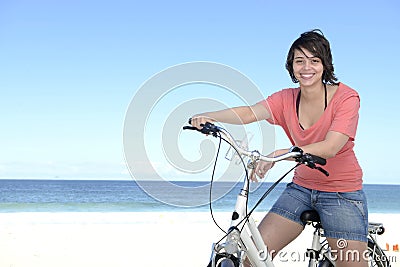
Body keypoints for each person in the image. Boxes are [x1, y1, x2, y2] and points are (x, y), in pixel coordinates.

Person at [190, 29, 368, 267]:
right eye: (299, 61)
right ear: (291, 66)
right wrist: (208, 116)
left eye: (314, 61)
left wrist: (278, 155)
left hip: (341, 192)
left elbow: (332, 146)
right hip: (302, 189)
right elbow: (250, 112)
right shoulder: (285, 99)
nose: (307, 67)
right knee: (252, 259)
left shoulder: (346, 98)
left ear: (325, 65)